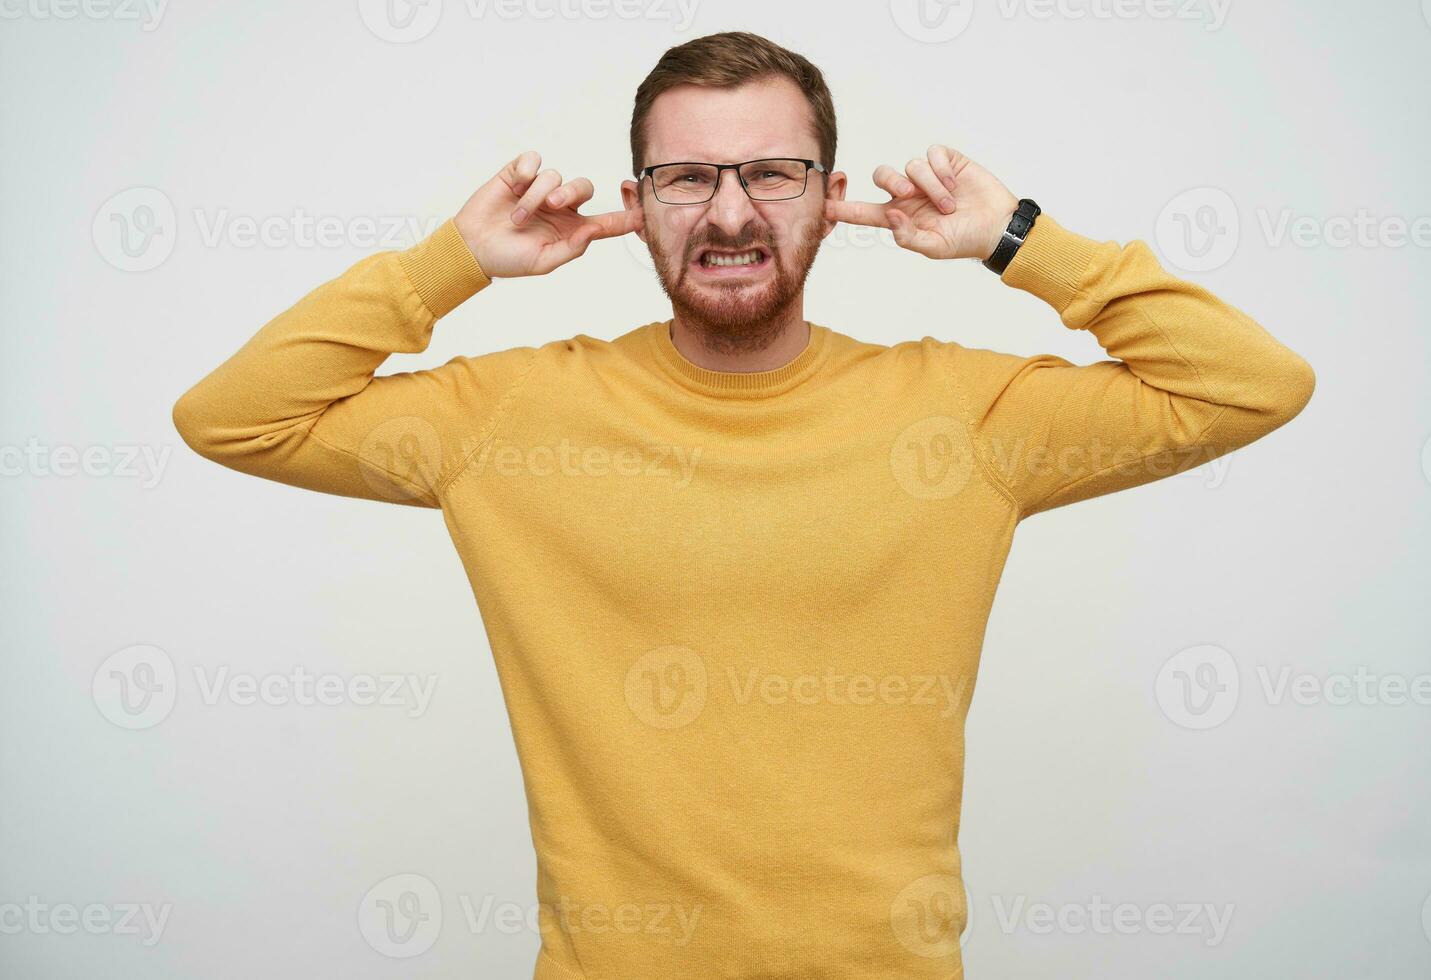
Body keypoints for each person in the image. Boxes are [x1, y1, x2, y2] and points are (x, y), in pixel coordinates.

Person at [172, 29, 1314, 980]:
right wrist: (448, 265)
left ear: (829, 197)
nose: (729, 213)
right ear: (637, 201)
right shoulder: (512, 419)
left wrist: (1024, 240)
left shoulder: (965, 417)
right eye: (687, 177)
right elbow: (233, 417)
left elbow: (1252, 385)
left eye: (771, 172)